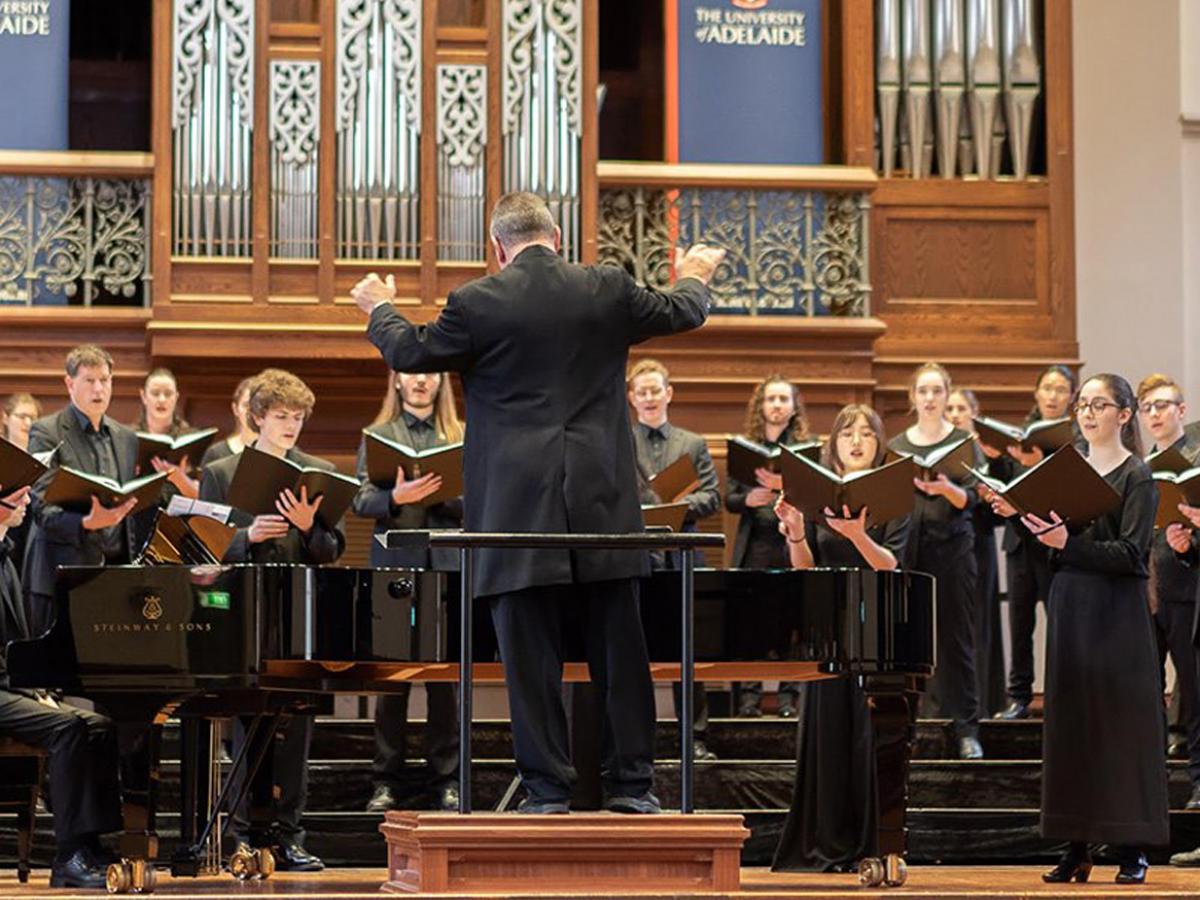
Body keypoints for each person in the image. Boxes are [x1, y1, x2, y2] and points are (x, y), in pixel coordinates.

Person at [352, 191, 722, 814]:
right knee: (618, 652)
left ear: (497, 249)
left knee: (530, 658)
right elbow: (684, 310)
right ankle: (632, 787)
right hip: (603, 503)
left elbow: (410, 351)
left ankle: (548, 791)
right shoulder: (605, 285)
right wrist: (695, 273)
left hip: (514, 514)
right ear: (559, 239)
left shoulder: (477, 302)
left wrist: (378, 306)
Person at [989, 374, 1167, 884]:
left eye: (1101, 404)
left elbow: (1132, 554)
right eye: (1083, 405)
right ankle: (1077, 846)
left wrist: (1067, 541)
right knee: (1073, 730)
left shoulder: (1138, 476)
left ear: (1125, 415)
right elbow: (1056, 547)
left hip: (1117, 614)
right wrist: (1034, 525)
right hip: (1071, 605)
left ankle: (1133, 849)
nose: (1089, 414)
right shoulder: (1067, 471)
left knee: (1120, 729)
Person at [199, 369, 343, 870]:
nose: (291, 425)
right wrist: (247, 538)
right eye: (281, 416)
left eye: (298, 417)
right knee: (247, 725)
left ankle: (288, 835)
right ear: (257, 417)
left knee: (295, 728)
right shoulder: (221, 470)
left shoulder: (317, 470)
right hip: (243, 610)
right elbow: (205, 545)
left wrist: (309, 529)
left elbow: (331, 550)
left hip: (297, 610)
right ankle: (243, 835)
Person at [770, 404, 908, 873]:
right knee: (827, 733)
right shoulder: (817, 494)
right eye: (847, 432)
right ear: (833, 444)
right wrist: (794, 533)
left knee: (867, 737)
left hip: (877, 627)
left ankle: (870, 843)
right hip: (828, 627)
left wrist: (857, 536)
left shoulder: (893, 495)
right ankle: (825, 841)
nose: (856, 441)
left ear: (879, 443)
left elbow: (891, 565)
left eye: (867, 434)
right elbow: (804, 567)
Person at [0, 485, 123, 889]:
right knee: (68, 728)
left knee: (99, 725)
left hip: (8, 686)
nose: (26, 503)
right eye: (17, 497)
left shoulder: (6, 555)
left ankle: (93, 844)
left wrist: (36, 689)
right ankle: (66, 857)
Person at [353, 370, 462, 813]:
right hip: (395, 566)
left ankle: (448, 780)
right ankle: (386, 780)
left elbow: (484, 499)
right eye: (412, 374)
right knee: (392, 679)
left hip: (447, 565)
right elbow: (361, 501)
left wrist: (438, 495)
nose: (421, 381)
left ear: (440, 383)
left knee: (446, 682)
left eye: (429, 375)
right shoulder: (378, 434)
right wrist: (397, 497)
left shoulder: (460, 434)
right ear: (396, 381)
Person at [24, 345, 156, 637]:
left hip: (114, 576)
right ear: (70, 384)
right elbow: (41, 509)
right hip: (61, 575)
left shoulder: (126, 437)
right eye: (89, 380)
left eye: (105, 380)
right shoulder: (46, 433)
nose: (99, 389)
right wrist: (86, 523)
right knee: (55, 675)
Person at [627, 358, 720, 760]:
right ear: (631, 398)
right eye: (641, 391)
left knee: (689, 651)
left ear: (669, 393)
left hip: (683, 556)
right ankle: (635, 740)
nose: (649, 397)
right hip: (636, 557)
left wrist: (674, 504)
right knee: (633, 652)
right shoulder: (619, 441)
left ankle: (694, 738)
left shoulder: (692, 443)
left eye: (655, 390)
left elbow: (713, 497)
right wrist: (649, 504)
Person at [887, 363, 982, 759]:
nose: (929, 398)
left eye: (936, 391)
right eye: (922, 391)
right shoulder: (896, 445)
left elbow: (976, 498)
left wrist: (947, 489)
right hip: (909, 550)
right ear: (913, 397)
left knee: (957, 640)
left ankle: (966, 730)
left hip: (953, 550)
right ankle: (907, 726)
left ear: (946, 395)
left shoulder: (963, 441)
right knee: (906, 641)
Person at [991, 364, 1077, 720]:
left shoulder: (1075, 440)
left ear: (1071, 397)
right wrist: (997, 462)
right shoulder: (1020, 438)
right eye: (1048, 388)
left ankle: (1064, 695)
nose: (1053, 395)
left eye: (1061, 389)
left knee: (1061, 623)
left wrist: (1039, 465)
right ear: (1037, 394)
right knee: (1020, 625)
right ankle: (1020, 697)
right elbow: (1004, 492)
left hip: (1055, 545)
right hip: (1019, 545)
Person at [725, 374, 810, 718]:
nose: (776, 405)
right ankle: (749, 699)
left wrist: (785, 484)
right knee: (750, 623)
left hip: (791, 542)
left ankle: (789, 699)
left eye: (783, 399)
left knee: (793, 621)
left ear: (794, 407)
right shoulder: (747, 447)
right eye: (770, 399)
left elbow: (817, 497)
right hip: (756, 544)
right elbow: (729, 499)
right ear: (760, 406)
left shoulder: (806, 447)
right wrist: (749, 498)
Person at [1135, 375, 1200, 811]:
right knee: (1143, 694)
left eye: (1163, 405)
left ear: (1181, 410)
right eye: (1148, 408)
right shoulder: (1138, 468)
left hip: (1186, 591)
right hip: (1143, 592)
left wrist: (1190, 543)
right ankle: (1147, 789)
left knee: (1194, 695)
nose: (1155, 414)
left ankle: (1199, 782)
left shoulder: (1196, 463)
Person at [945, 387, 1006, 718]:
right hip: (950, 543)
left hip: (979, 543)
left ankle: (984, 701)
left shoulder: (983, 451)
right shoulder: (942, 450)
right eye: (949, 408)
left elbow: (998, 512)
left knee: (979, 622)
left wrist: (985, 496)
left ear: (974, 412)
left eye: (961, 408)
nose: (954, 414)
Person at [133, 367, 199, 499]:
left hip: (178, 516)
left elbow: (201, 497)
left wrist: (180, 478)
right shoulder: (127, 438)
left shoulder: (192, 439)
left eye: (168, 394)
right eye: (155, 393)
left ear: (176, 397)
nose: (162, 399)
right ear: (144, 396)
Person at [3, 393, 43, 569]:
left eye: (33, 418)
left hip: (29, 531)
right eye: (22, 416)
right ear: (6, 417)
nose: (28, 423)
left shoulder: (41, 458)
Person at [199, 375, 259, 469]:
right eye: (246, 405)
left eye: (257, 405)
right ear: (235, 409)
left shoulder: (281, 451)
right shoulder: (216, 453)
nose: (251, 411)